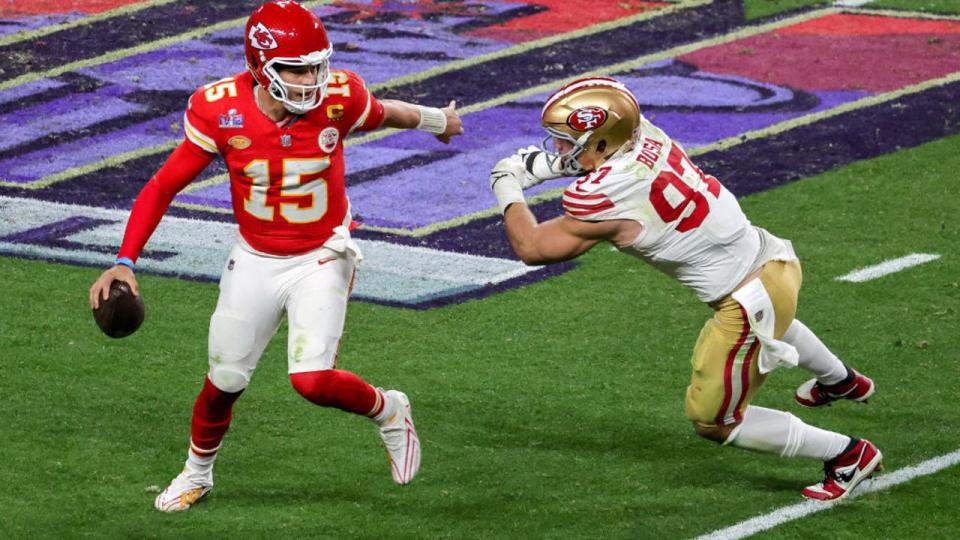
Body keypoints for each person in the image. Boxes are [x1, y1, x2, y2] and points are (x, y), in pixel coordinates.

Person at [88, 0, 462, 512]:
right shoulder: (221, 110)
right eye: (296, 67)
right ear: (260, 67)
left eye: (316, 64)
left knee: (310, 380)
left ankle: (389, 409)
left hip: (324, 253)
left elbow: (385, 112)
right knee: (224, 379)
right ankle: (198, 473)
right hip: (257, 255)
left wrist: (439, 120)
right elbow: (163, 185)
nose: (311, 79)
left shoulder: (339, 96)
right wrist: (125, 260)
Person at [487, 76, 881, 501]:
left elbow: (531, 247)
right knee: (776, 323)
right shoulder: (645, 133)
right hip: (775, 261)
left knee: (715, 422)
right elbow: (607, 157)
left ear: (601, 142)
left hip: (748, 302)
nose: (559, 149)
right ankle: (841, 380)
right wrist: (557, 165)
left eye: (567, 142)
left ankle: (847, 454)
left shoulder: (602, 197)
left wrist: (507, 183)